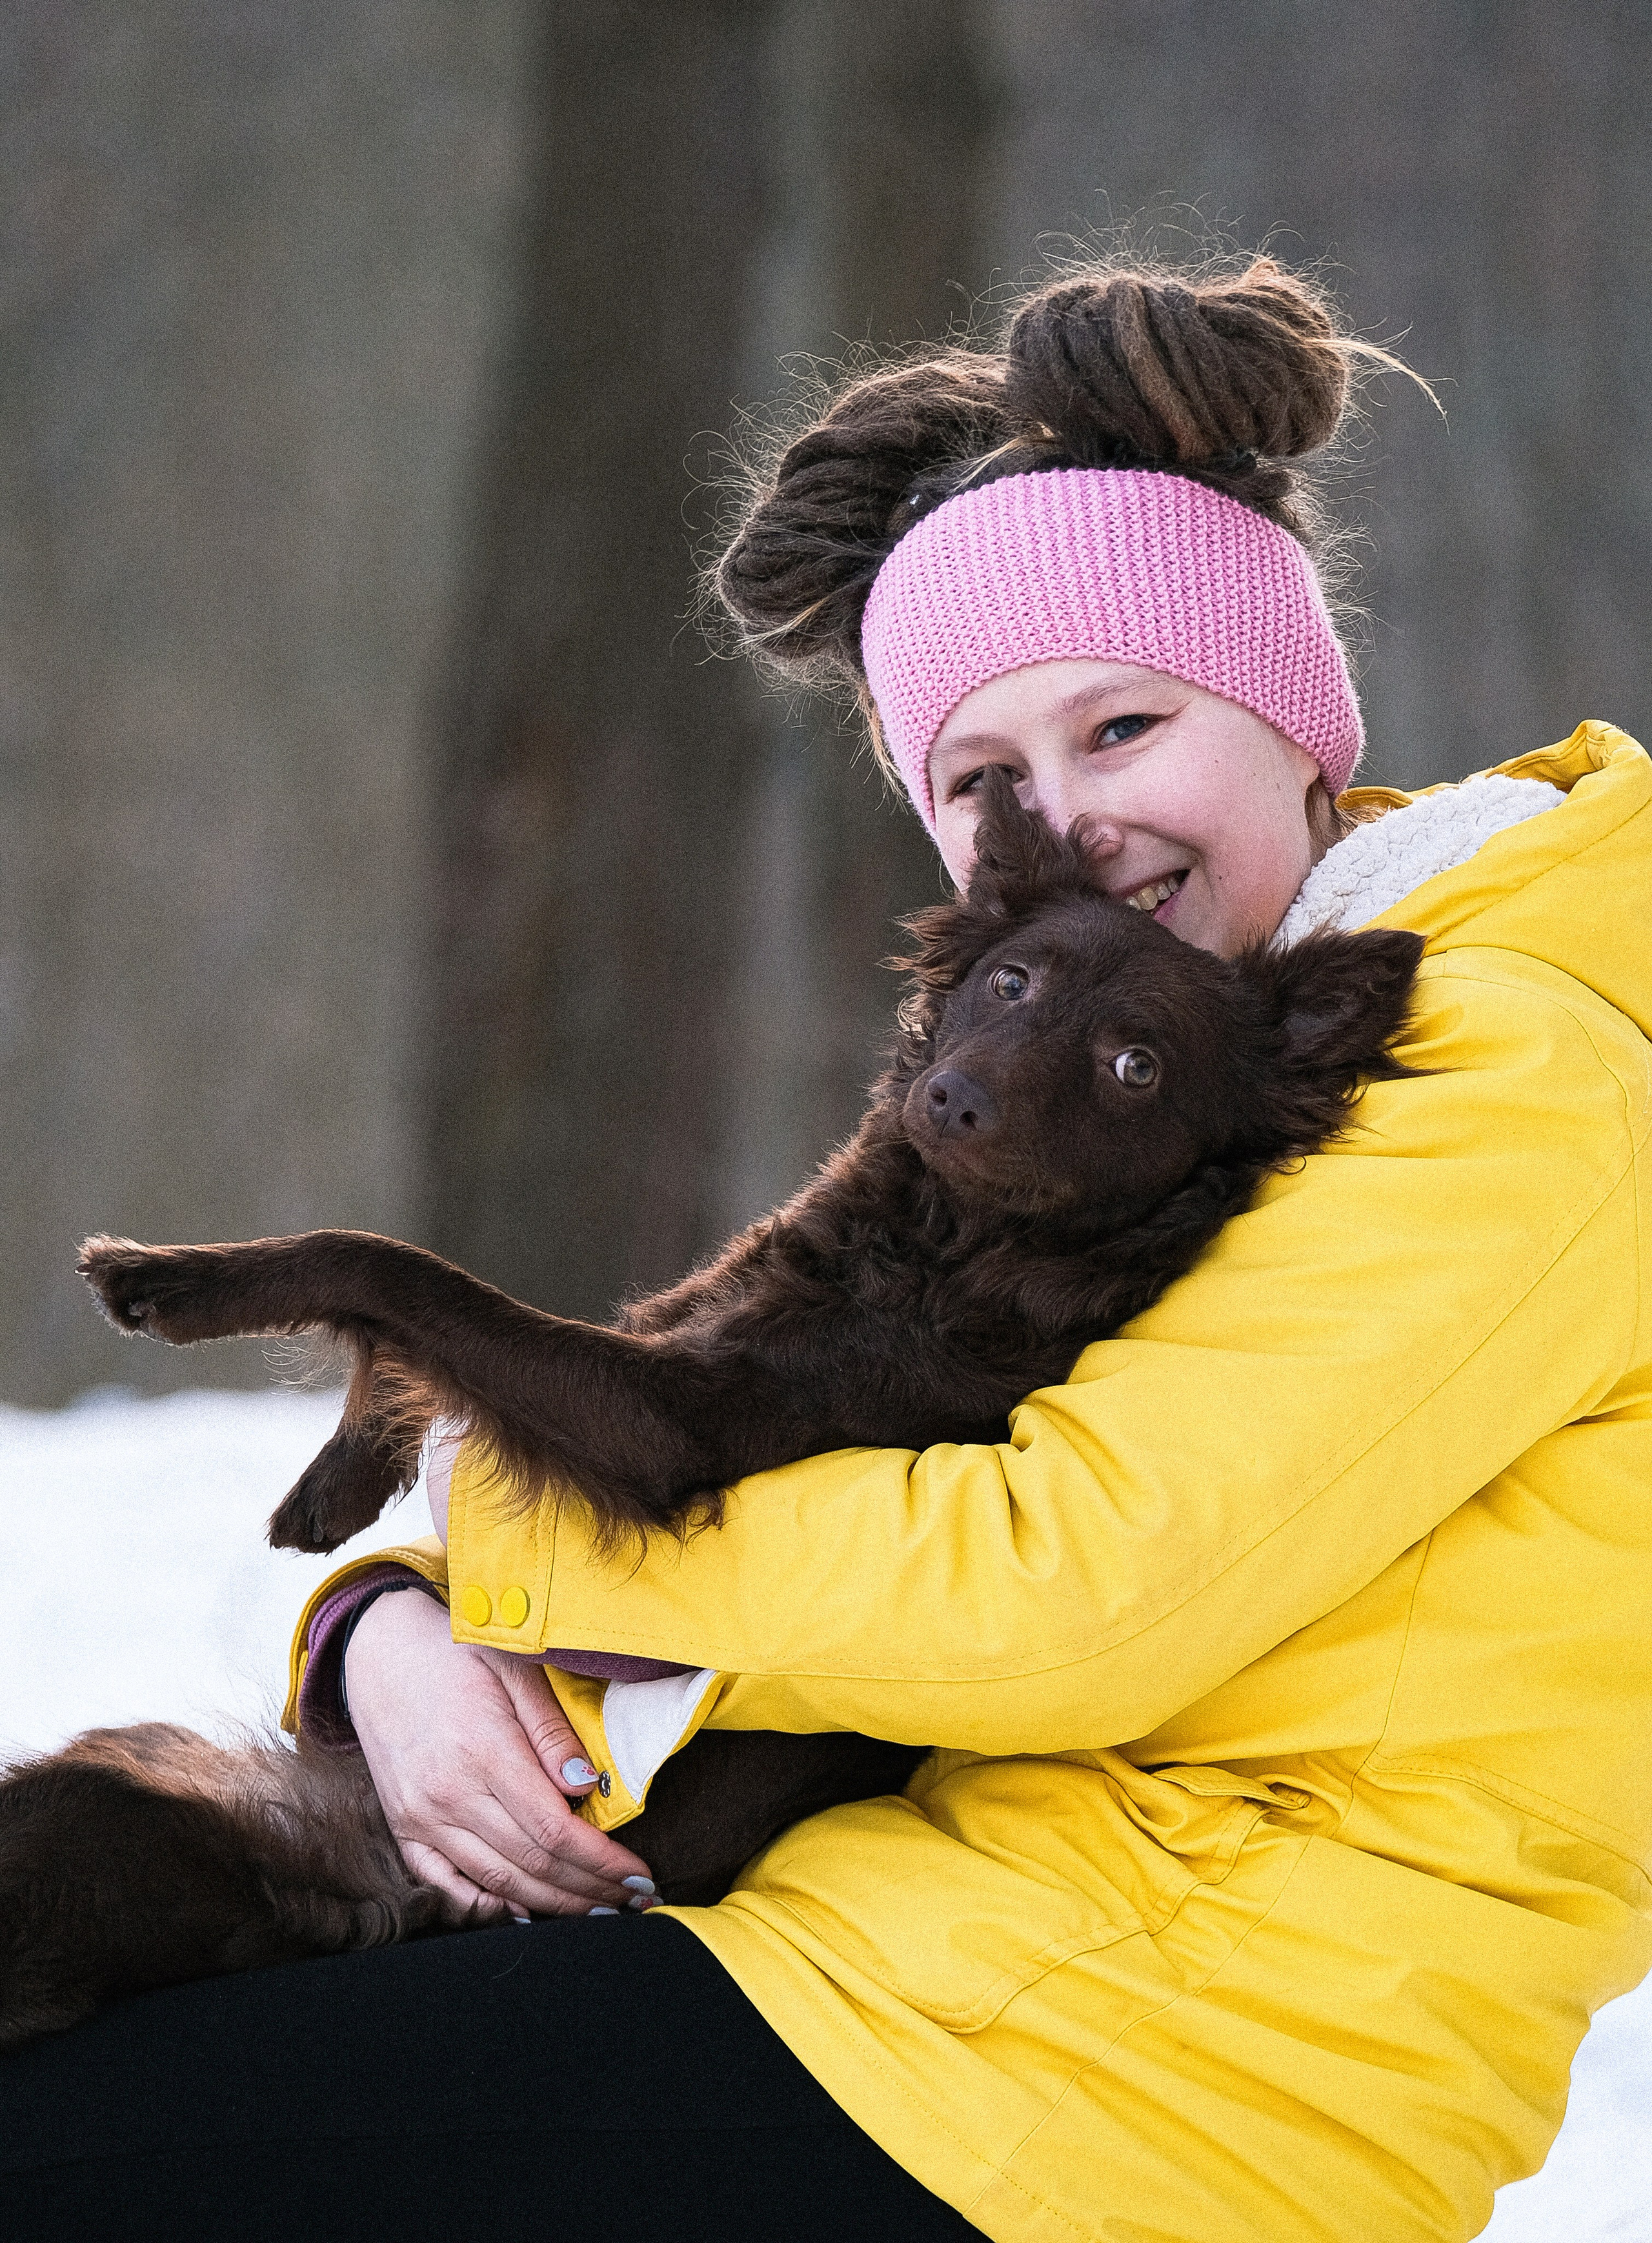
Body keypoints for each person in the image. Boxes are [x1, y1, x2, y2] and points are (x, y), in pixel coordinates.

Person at [6, 256, 1651, 2243]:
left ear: (1307, 720)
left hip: (1149, 2060)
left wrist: (522, 1542)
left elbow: (1082, 1583)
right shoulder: (1144, 1079)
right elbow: (757, 1388)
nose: (1078, 822)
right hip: (919, 1946)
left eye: (1126, 723)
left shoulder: (1518, 1060)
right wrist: (397, 1628)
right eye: (988, 783)